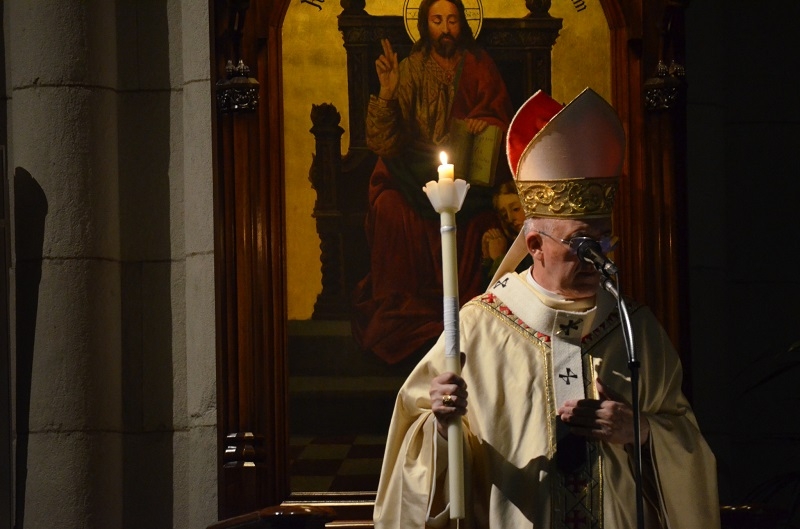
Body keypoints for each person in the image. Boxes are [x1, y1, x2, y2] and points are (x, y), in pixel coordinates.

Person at [373, 89, 720, 528]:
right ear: (534, 245)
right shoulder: (480, 328)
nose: (600, 256)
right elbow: (415, 457)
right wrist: (442, 427)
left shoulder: (635, 328)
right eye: (581, 243)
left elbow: (687, 447)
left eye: (605, 239)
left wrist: (641, 431)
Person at [352, 0, 514, 365]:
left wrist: (483, 122)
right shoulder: (408, 69)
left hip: (465, 173)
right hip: (411, 170)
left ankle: (468, 318)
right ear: (424, 25)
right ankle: (404, 311)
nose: (445, 29)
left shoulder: (479, 65)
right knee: (389, 209)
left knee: (479, 223)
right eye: (437, 20)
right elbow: (383, 142)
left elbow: (501, 118)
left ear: (463, 24)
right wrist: (388, 92)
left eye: (452, 20)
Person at [481, 180, 529, 287]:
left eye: (515, 209)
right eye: (504, 214)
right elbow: (488, 294)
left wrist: (499, 259)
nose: (510, 218)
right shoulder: (510, 242)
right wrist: (488, 259)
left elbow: (518, 292)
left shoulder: (539, 244)